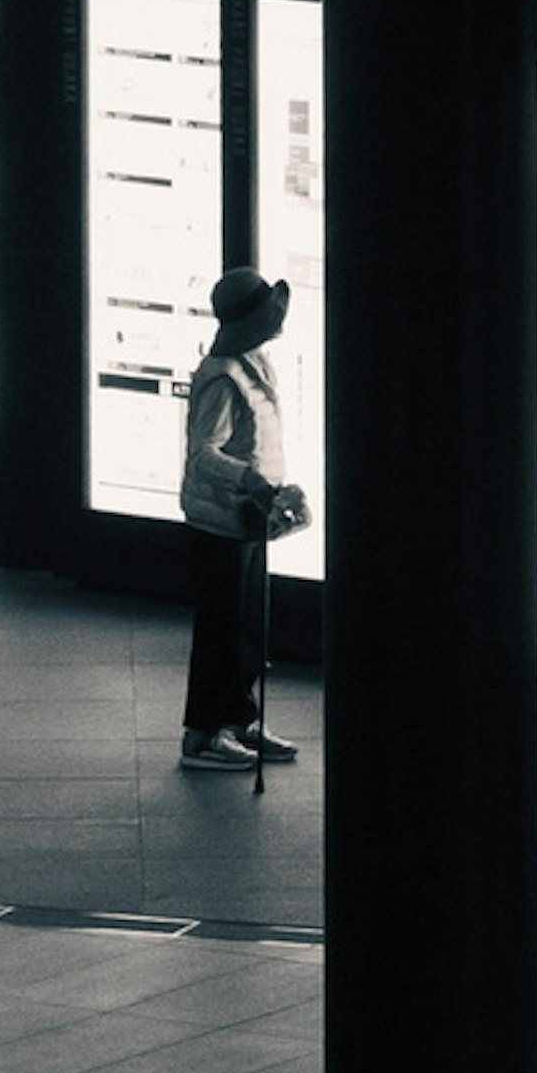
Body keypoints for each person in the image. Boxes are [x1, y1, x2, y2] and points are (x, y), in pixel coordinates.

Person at [176, 264, 304, 772]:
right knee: (221, 630)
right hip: (220, 522)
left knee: (247, 625)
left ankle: (239, 718)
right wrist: (250, 480)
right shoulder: (222, 378)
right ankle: (203, 733)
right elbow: (202, 453)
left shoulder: (254, 363)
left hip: (246, 518)